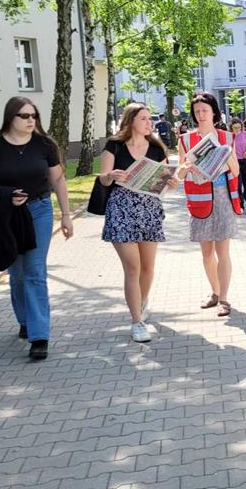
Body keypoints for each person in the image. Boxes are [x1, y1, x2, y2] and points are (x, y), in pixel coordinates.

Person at [0, 96, 73, 360]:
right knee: (17, 271)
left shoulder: (44, 145)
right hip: (6, 215)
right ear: (10, 117)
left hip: (38, 210)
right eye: (24, 116)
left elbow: (57, 180)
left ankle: (40, 336)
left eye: (33, 116)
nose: (30, 121)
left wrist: (67, 215)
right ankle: (25, 319)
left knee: (35, 270)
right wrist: (0, 194)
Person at [100, 103, 174, 343]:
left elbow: (164, 177)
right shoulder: (114, 145)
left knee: (147, 268)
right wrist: (110, 176)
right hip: (121, 209)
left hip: (149, 209)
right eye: (143, 119)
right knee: (132, 268)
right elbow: (102, 178)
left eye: (149, 119)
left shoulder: (155, 147)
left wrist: (171, 182)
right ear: (131, 120)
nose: (148, 123)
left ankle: (142, 302)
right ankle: (137, 322)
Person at [178, 92, 241, 317]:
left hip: (223, 195)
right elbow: (180, 173)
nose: (201, 115)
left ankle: (224, 298)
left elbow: (235, 170)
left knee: (223, 251)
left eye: (205, 110)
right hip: (199, 197)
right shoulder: (186, 139)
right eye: (197, 112)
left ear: (214, 112)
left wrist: (222, 162)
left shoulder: (226, 137)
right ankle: (214, 292)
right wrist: (186, 169)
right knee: (206, 252)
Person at [231, 119, 246, 211]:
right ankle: (240, 205)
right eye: (235, 128)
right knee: (238, 184)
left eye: (239, 127)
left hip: (245, 160)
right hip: (234, 162)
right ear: (231, 127)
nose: (237, 130)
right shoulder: (230, 136)